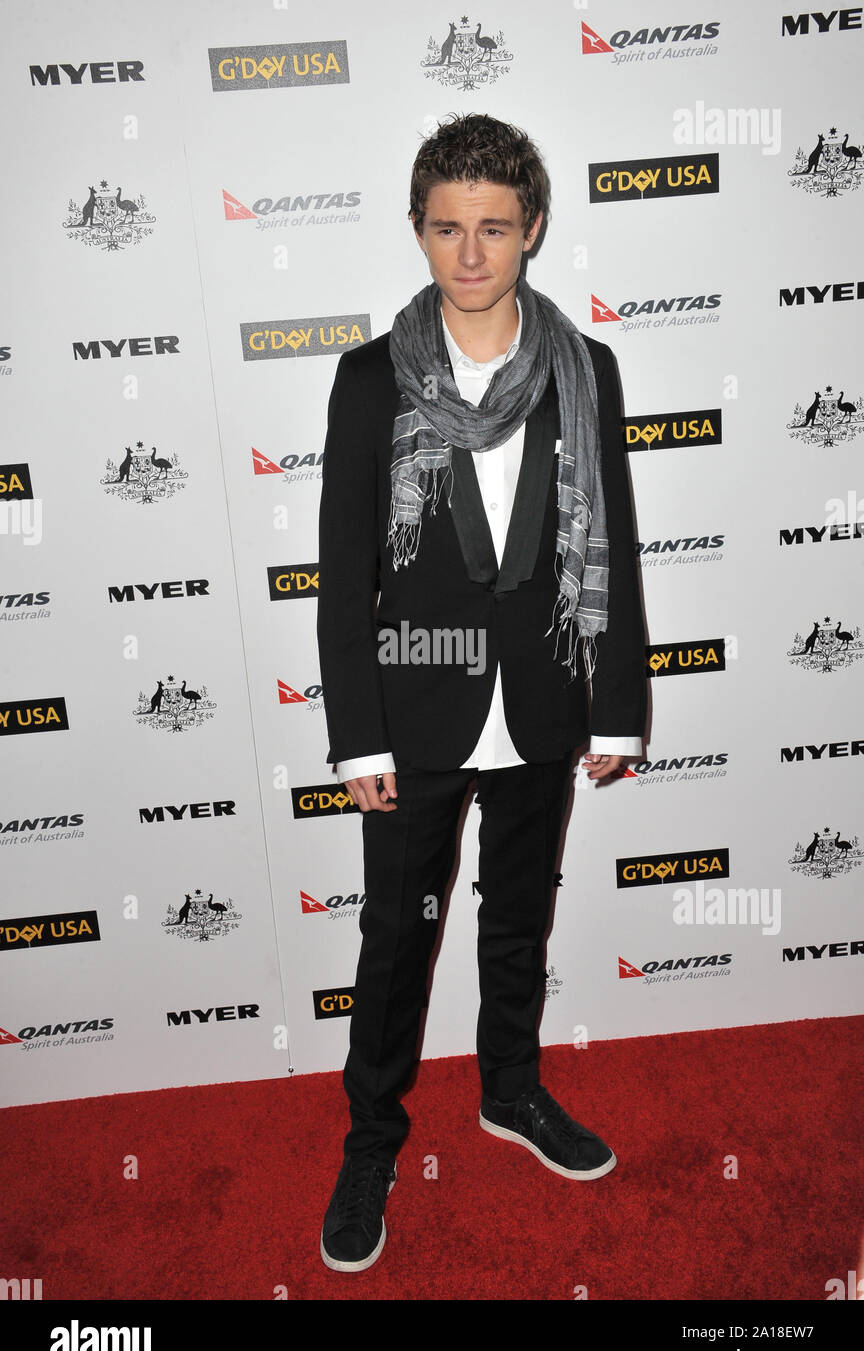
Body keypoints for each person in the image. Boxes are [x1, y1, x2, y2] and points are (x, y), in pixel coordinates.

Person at [316, 113, 647, 1272]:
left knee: (517, 923)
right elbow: (342, 569)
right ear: (419, 231)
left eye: (494, 228)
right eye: (448, 228)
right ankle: (371, 1142)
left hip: (544, 705)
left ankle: (511, 1090)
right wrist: (354, 735)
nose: (471, 253)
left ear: (533, 230)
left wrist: (617, 702)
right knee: (393, 945)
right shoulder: (370, 382)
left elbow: (616, 541)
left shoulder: (583, 370)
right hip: (414, 715)